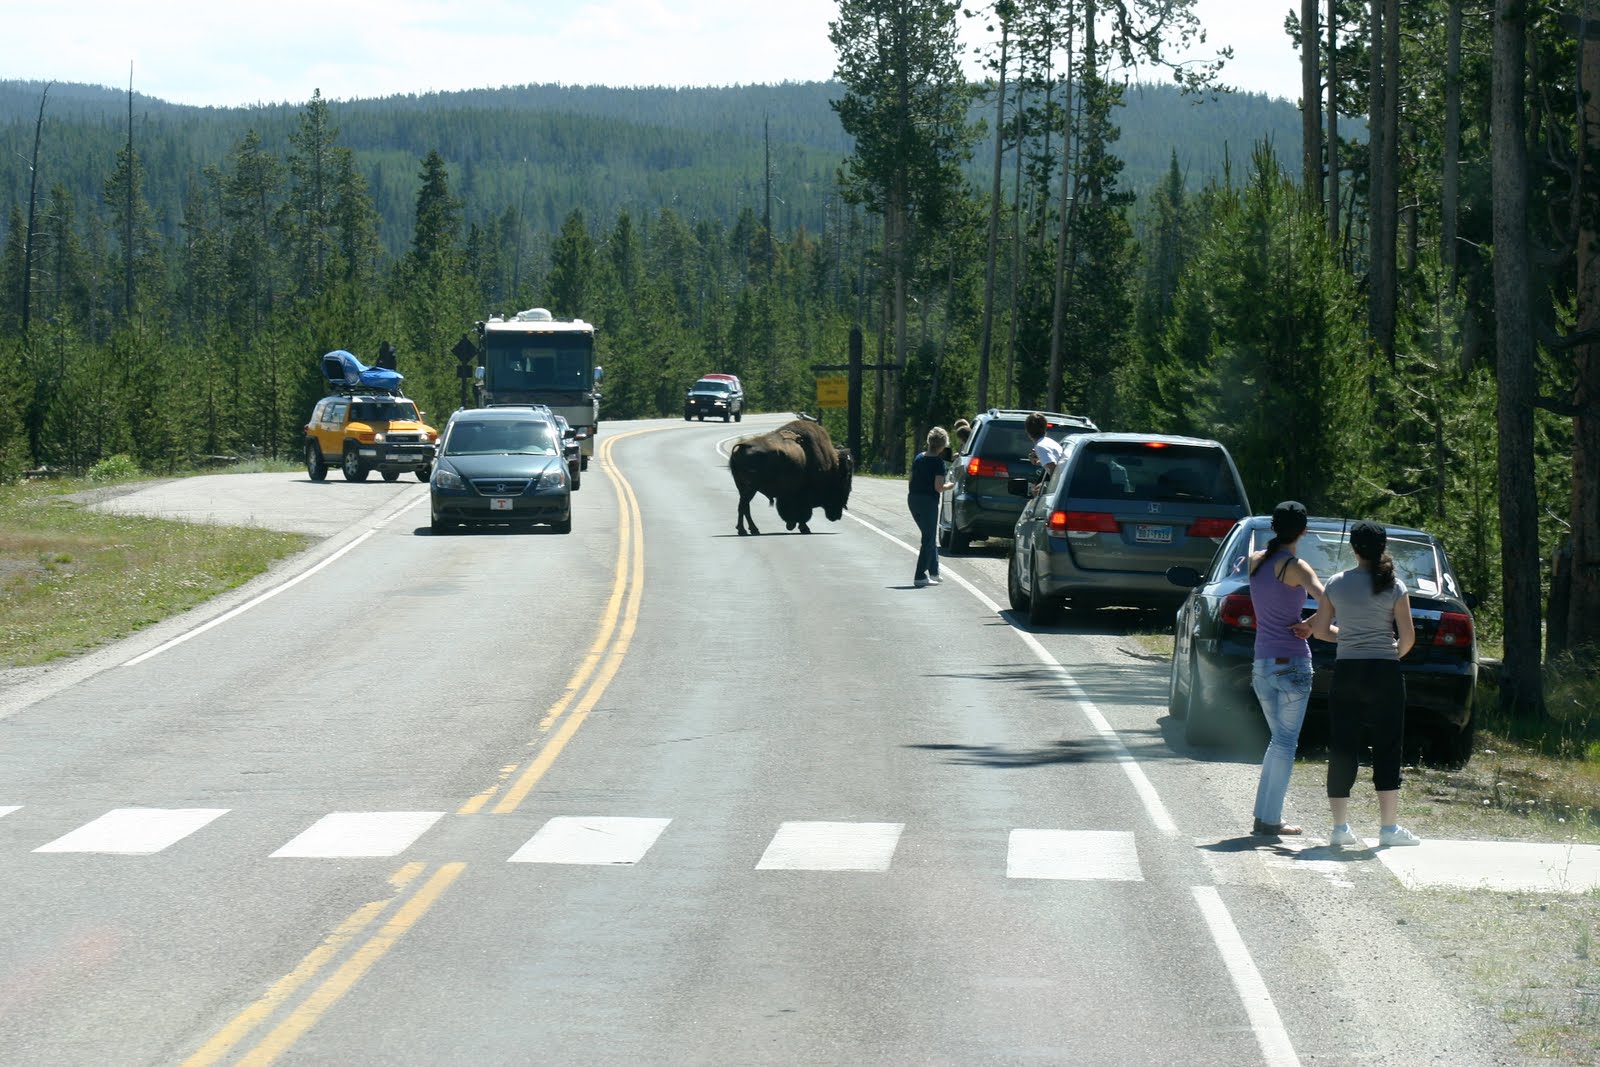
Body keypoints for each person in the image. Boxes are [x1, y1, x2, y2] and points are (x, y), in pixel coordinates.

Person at [1311, 520, 1421, 848]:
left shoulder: (1336, 583)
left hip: (1347, 670)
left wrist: (1348, 638)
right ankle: (1388, 829)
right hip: (1385, 672)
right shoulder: (1395, 586)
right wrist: (1388, 654)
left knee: (1344, 745)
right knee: (1388, 746)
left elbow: (1319, 630)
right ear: (1383, 547)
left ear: (1353, 549)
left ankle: (1340, 827)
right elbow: (1407, 638)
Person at [1246, 501, 1330, 837]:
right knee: (1284, 742)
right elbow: (1329, 600)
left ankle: (1265, 816)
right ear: (1304, 531)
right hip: (1293, 663)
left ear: (1273, 527)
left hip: (1261, 664)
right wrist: (1310, 625)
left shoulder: (1255, 561)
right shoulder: (1296, 567)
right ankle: (1269, 820)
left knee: (1277, 741)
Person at [908, 426, 956, 587]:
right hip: (928, 501)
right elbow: (939, 487)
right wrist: (951, 485)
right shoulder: (938, 463)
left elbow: (911, 479)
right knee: (928, 538)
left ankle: (934, 572)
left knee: (929, 535)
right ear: (943, 446)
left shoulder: (919, 458)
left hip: (913, 499)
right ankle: (920, 575)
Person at [1023, 412, 1061, 494]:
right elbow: (1057, 463)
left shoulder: (1041, 446)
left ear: (1027, 431)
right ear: (1045, 427)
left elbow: (1053, 468)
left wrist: (1049, 489)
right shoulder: (1049, 442)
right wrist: (1039, 462)